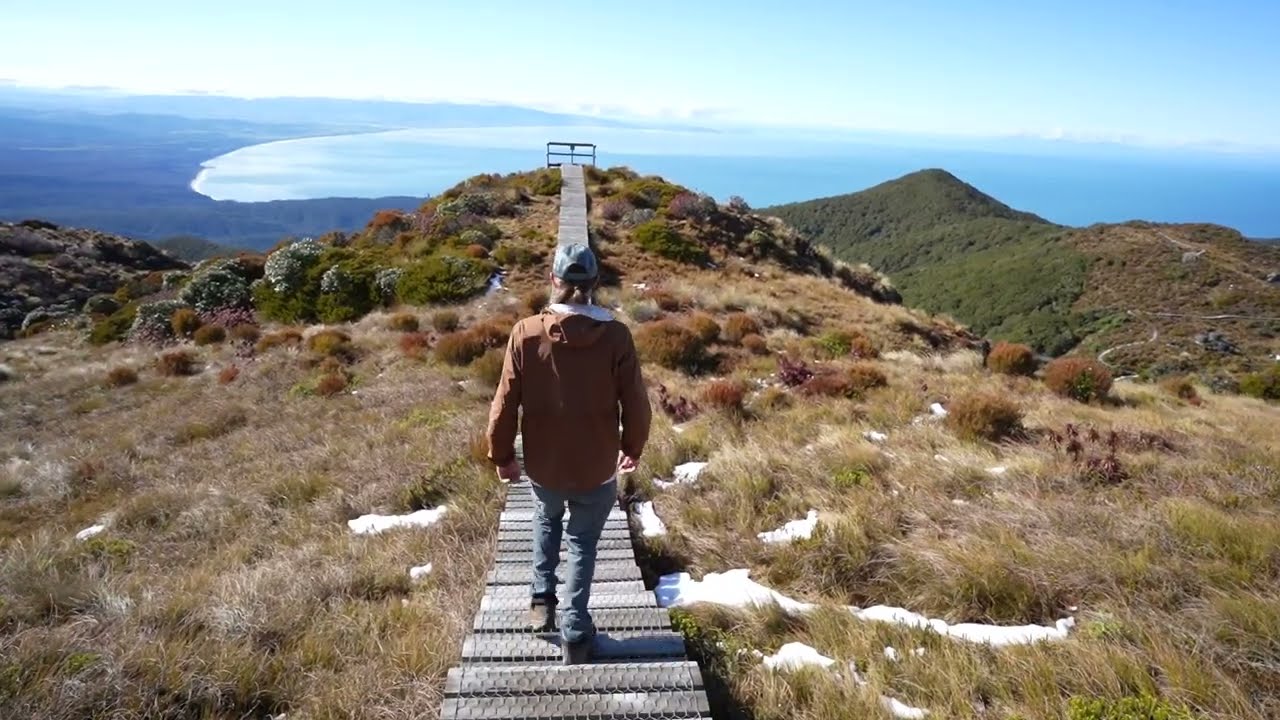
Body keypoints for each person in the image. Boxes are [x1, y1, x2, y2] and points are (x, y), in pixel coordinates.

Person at [486, 241, 652, 665]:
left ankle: (542, 600)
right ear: (595, 283)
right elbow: (635, 401)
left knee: (546, 519)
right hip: (597, 465)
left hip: (544, 463)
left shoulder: (526, 332)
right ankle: (576, 632)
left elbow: (505, 402)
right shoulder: (616, 336)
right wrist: (632, 446)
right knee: (583, 543)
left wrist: (503, 455)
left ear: (553, 281)